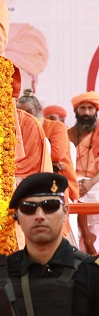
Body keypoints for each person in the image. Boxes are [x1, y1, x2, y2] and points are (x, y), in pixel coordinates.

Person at [0, 172, 99, 315]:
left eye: (50, 206)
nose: (39, 216)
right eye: (28, 208)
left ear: (65, 212)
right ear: (17, 216)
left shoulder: (91, 273)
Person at [17, 92, 79, 201]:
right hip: (30, 178)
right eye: (21, 112)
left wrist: (37, 159)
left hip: (58, 180)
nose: (26, 116)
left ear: (39, 109)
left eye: (29, 111)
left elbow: (56, 154)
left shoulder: (57, 126)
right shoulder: (21, 130)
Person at [67, 92, 99, 253]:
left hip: (96, 183)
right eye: (82, 108)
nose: (86, 113)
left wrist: (90, 182)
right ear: (76, 111)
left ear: (96, 111)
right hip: (74, 185)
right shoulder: (68, 134)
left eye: (90, 108)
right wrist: (75, 183)